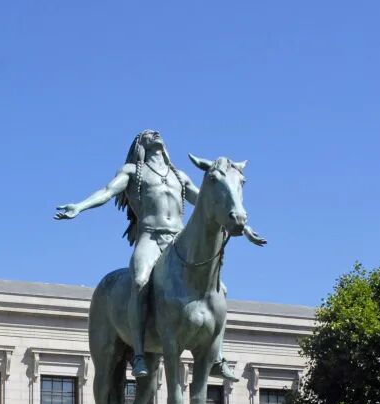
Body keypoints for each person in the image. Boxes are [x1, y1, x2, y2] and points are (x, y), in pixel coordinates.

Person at [55, 130, 243, 379]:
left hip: (178, 240)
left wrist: (240, 222)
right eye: (146, 134)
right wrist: (79, 206)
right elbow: (107, 191)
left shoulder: (179, 176)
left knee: (221, 290)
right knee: (140, 280)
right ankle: (140, 353)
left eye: (156, 132)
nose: (154, 133)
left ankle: (217, 356)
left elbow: (211, 200)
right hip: (151, 238)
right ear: (139, 145)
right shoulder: (133, 172)